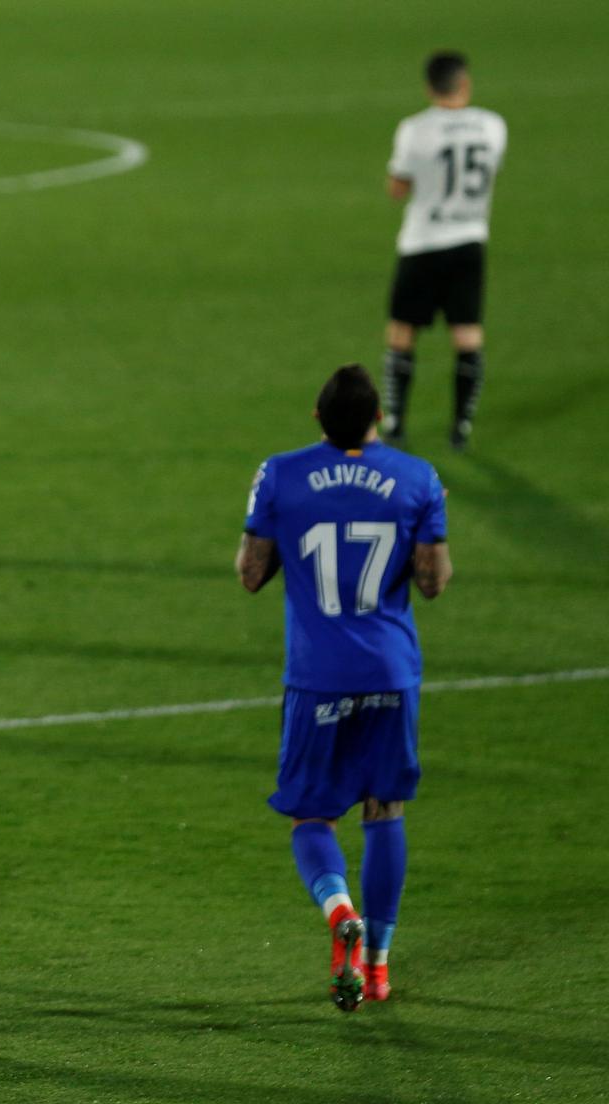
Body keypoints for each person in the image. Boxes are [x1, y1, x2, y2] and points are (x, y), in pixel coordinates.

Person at [236, 364, 452, 1010]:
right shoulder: (418, 478)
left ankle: (339, 913)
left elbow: (250, 572)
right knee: (385, 809)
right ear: (377, 419)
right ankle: (380, 965)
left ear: (316, 417)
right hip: (390, 672)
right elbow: (434, 580)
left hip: (317, 675)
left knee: (312, 813)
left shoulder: (280, 473)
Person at [380, 51, 506, 451]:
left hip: (422, 241)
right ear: (464, 83)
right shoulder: (493, 126)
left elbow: (398, 188)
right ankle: (461, 426)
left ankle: (396, 422)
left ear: (429, 87)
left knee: (402, 331)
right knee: (467, 333)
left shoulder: (415, 130)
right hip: (470, 238)